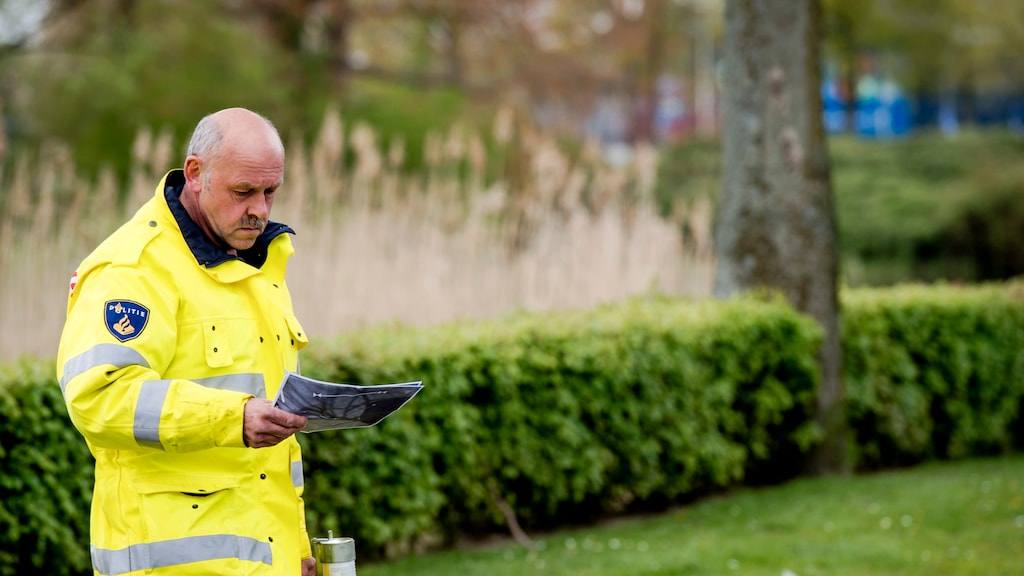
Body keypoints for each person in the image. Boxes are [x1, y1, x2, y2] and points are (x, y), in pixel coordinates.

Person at [56, 108, 317, 576]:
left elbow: (272, 458)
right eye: (243, 192)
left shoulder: (257, 264)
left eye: (270, 191)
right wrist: (230, 416)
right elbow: (98, 397)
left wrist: (294, 553)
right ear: (195, 173)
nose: (259, 208)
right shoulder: (133, 268)